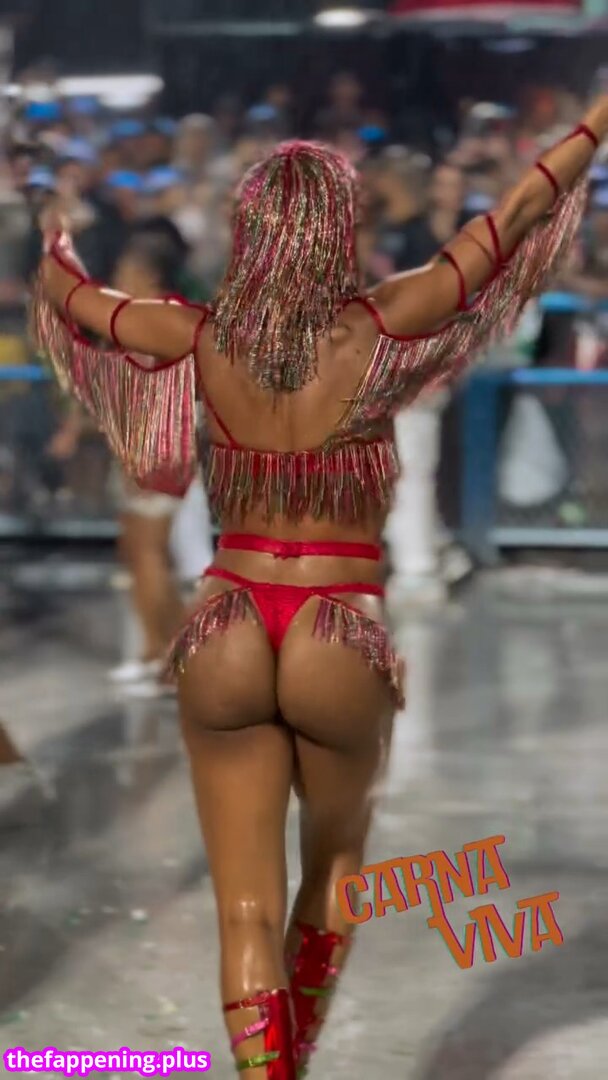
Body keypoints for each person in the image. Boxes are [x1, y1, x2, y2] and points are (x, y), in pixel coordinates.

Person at [33, 98, 608, 1077]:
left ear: (249, 230)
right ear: (339, 229)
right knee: (333, 875)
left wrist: (54, 231)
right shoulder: (382, 325)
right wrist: (593, 123)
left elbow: (73, 295)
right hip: (337, 626)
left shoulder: (196, 335)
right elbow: (513, 217)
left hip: (225, 620)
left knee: (242, 910)